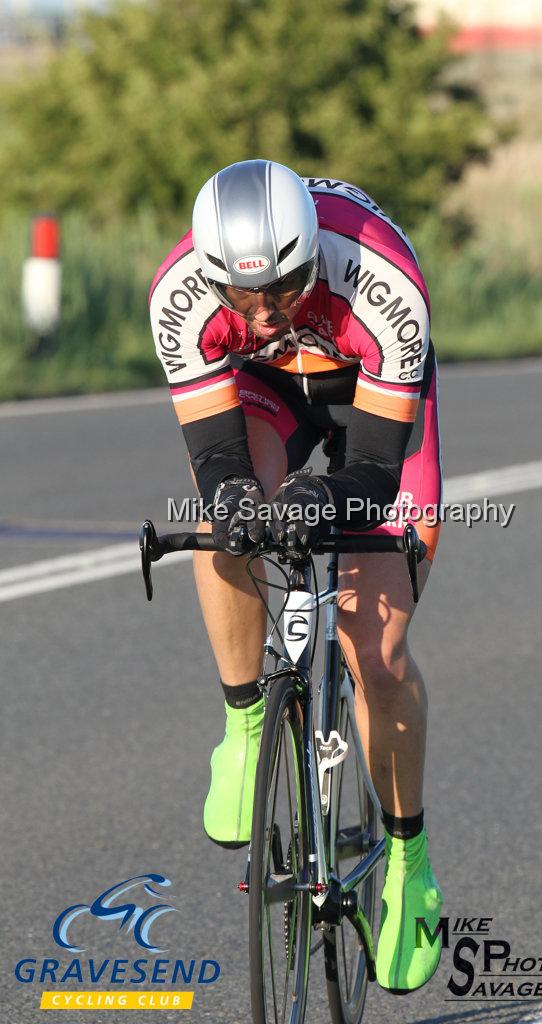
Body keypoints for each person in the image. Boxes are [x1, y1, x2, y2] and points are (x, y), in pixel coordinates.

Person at [149, 159, 443, 993]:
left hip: (372, 390)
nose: (266, 311)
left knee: (377, 652)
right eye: (241, 297)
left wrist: (328, 494)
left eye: (282, 286)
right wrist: (245, 499)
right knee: (224, 526)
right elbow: (216, 456)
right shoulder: (180, 296)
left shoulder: (380, 278)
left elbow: (380, 470)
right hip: (263, 388)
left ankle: (408, 862)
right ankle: (245, 727)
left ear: (313, 252)